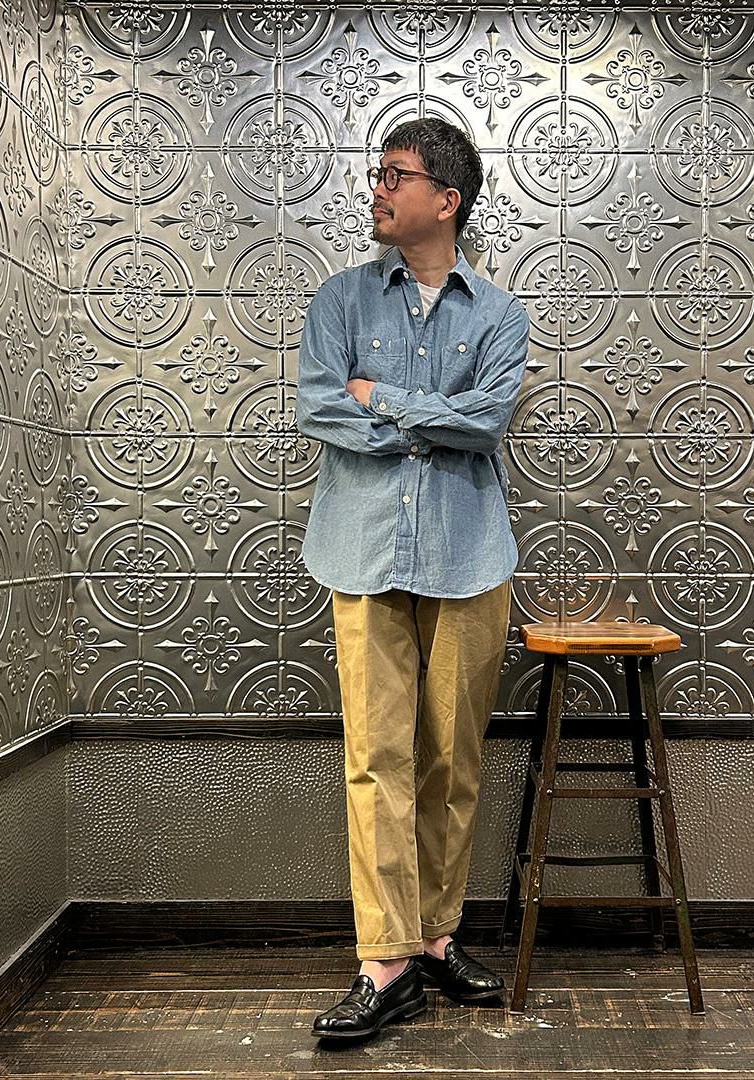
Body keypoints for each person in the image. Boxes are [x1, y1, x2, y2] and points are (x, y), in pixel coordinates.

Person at [295, 117, 530, 1041]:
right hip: (361, 548)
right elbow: (323, 408)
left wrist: (383, 398)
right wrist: (431, 419)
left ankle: (436, 936)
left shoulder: (500, 315)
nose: (378, 189)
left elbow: (486, 425)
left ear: (447, 199)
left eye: (396, 175)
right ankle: (384, 961)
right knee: (375, 758)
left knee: (451, 759)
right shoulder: (340, 300)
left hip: (470, 555)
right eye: (379, 173)